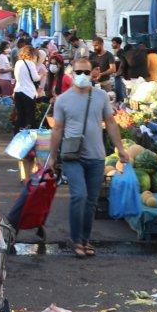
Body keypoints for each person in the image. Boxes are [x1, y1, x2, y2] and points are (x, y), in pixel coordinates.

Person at [50, 57, 129, 259]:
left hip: (96, 156)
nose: (83, 76)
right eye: (78, 72)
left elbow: (110, 122)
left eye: (86, 72)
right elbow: (57, 129)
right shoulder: (63, 100)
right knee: (79, 196)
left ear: (93, 73)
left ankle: (85, 239)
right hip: (72, 157)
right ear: (72, 73)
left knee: (91, 201)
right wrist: (52, 156)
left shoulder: (101, 96)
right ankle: (76, 239)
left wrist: (120, 148)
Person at [12, 44, 46, 131]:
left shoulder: (18, 63)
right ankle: (32, 135)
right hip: (28, 93)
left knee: (20, 116)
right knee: (30, 117)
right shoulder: (30, 63)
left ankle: (17, 134)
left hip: (17, 91)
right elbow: (35, 78)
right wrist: (42, 74)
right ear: (32, 54)